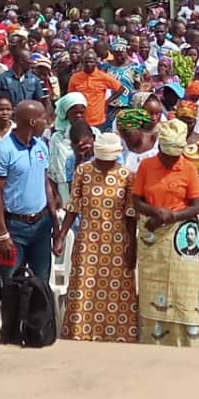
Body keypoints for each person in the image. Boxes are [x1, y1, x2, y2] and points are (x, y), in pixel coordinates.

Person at [56, 132, 138, 342]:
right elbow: (73, 207)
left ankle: (116, 335)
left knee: (117, 290)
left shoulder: (126, 176)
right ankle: (81, 333)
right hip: (88, 241)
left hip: (118, 242)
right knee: (85, 286)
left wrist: (132, 247)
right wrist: (61, 235)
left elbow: (130, 215)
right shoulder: (83, 172)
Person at [133, 119, 199, 347]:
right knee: (153, 288)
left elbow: (197, 206)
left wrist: (171, 216)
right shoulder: (146, 166)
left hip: (181, 234)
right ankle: (154, 340)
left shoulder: (188, 168)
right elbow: (136, 200)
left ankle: (187, 340)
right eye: (168, 155)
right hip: (152, 233)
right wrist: (156, 213)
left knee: (184, 287)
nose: (172, 160)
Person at [0, 100, 60, 282]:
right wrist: (2, 234)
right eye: (43, 118)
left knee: (41, 281)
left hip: (41, 226)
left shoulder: (41, 146)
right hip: (14, 228)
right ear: (32, 122)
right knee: (10, 280)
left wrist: (55, 223)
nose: (46, 122)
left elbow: (46, 185)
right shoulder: (3, 151)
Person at [68, 50, 123, 131]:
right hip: (81, 120)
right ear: (82, 63)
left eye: (91, 62)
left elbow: (120, 88)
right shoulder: (75, 78)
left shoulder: (103, 77)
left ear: (96, 62)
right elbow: (71, 97)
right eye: (86, 62)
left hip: (98, 120)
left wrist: (107, 102)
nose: (88, 64)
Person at [48, 93, 88, 204]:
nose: (79, 116)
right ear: (66, 113)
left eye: (82, 112)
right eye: (75, 113)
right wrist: (55, 193)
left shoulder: (93, 133)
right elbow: (52, 168)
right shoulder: (56, 137)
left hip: (89, 185)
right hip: (63, 187)